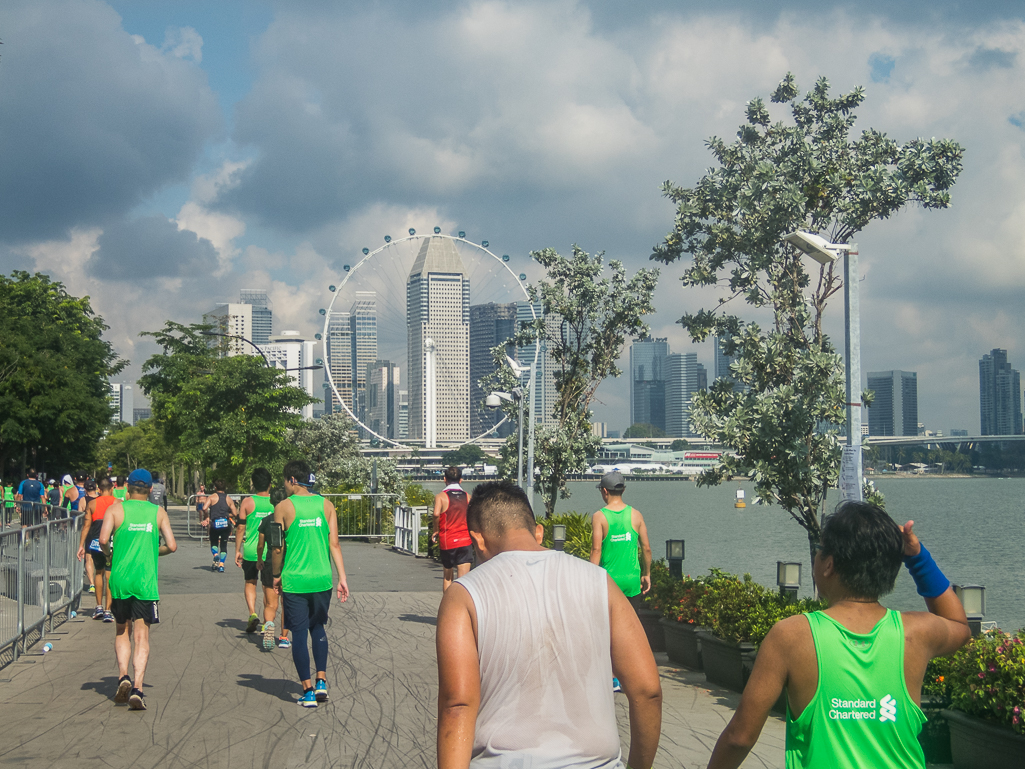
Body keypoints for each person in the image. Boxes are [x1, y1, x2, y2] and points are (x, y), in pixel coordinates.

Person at [705, 501, 972, 769]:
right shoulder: (915, 633)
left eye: (819, 551)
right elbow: (959, 626)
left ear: (829, 565)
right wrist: (917, 558)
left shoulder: (792, 636)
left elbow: (740, 738)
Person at [436, 480, 663, 769]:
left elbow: (457, 706)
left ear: (477, 539)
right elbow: (648, 691)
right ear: (539, 531)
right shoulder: (600, 583)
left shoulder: (464, 595)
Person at [270, 460, 349, 707]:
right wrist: (342, 578)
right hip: (323, 579)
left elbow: (277, 547)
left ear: (292, 480)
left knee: (299, 633)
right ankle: (322, 681)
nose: (284, 486)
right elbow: (334, 544)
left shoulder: (282, 507)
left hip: (295, 580)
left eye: (285, 481)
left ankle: (307, 691)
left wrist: (276, 574)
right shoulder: (327, 505)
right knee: (318, 628)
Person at [99, 468, 177, 711]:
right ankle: (138, 688)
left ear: (127, 488)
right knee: (142, 635)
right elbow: (172, 546)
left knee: (122, 629)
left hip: (120, 581)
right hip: (145, 582)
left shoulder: (115, 509)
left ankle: (123, 676)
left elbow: (102, 540)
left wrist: (110, 554)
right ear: (150, 489)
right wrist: (154, 551)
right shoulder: (158, 512)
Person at [590, 470, 653, 611]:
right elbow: (646, 549)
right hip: (632, 582)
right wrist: (646, 574)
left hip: (609, 582)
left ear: (604, 491)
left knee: (609, 629)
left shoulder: (599, 517)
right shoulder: (636, 515)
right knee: (630, 627)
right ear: (623, 490)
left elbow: (596, 550)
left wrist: (591, 578)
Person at [234, 467, 278, 643]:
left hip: (252, 550)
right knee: (269, 588)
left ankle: (252, 612)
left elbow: (240, 527)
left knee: (250, 582)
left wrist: (238, 549)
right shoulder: (275, 501)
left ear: (253, 483)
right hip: (270, 551)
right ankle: (268, 621)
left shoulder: (247, 502)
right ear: (269, 484)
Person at [77, 477, 117, 621]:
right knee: (109, 574)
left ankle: (98, 607)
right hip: (112, 543)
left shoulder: (92, 504)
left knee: (98, 572)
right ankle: (108, 610)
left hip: (95, 542)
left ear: (99, 490)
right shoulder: (118, 504)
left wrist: (81, 545)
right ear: (112, 488)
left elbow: (86, 526)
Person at [432, 466, 473, 592]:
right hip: (465, 541)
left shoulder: (441, 496)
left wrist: (436, 530)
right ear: (461, 480)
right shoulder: (468, 497)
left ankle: (447, 608)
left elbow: (436, 514)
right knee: (464, 580)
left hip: (448, 540)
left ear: (445, 479)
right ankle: (462, 608)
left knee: (448, 577)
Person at [257, 513, 291, 650]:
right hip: (289, 564)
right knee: (286, 603)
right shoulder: (291, 518)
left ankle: (269, 623)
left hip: (271, 563)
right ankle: (283, 637)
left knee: (271, 604)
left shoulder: (266, 521)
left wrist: (259, 559)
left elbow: (260, 545)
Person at [202, 479, 236, 572]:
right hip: (225, 524)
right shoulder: (228, 499)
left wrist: (207, 517)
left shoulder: (212, 497)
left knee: (214, 542)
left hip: (215, 523)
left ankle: (215, 555)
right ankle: (221, 565)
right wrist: (226, 515)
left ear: (215, 487)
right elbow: (235, 513)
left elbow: (204, 508)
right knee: (224, 545)